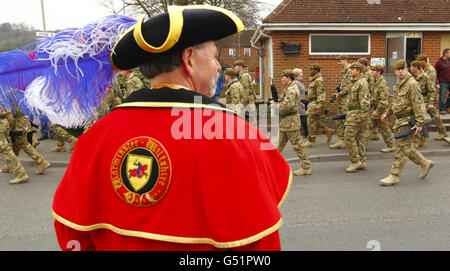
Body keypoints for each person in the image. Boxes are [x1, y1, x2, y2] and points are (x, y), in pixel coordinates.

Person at [52, 5, 291, 251]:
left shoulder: (95, 137)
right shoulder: (235, 135)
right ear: (189, 59)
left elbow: (73, 233)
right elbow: (259, 243)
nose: (219, 67)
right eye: (214, 57)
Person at [380, 60, 434, 186]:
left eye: (402, 69)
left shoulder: (412, 84)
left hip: (409, 122)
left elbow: (419, 105)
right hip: (399, 121)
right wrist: (387, 113)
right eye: (398, 70)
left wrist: (420, 123)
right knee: (406, 148)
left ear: (407, 69)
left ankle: (394, 175)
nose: (400, 72)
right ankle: (425, 163)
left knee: (401, 149)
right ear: (394, 71)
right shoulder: (399, 83)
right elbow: (395, 102)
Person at [271, 69, 311, 176]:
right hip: (285, 122)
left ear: (288, 78)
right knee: (278, 145)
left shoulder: (292, 90)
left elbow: (286, 106)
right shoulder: (288, 88)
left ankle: (306, 167)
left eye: (282, 77)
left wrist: (275, 107)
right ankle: (270, 166)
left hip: (291, 123)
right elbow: (284, 103)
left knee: (298, 146)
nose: (281, 79)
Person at [409, 61, 447, 146]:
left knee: (430, 118)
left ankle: (440, 133)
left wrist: (431, 103)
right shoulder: (410, 77)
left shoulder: (425, 77)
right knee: (416, 120)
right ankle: (418, 140)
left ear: (416, 67)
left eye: (411, 66)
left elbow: (432, 91)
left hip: (425, 101)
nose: (409, 68)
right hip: (415, 102)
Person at [343, 62, 371, 172]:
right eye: (350, 69)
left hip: (357, 114)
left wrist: (362, 116)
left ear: (359, 71)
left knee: (348, 137)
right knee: (359, 139)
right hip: (353, 113)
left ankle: (355, 161)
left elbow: (365, 101)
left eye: (353, 69)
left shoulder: (361, 82)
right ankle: (362, 161)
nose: (350, 71)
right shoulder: (354, 82)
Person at [10, 109, 51, 175]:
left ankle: (42, 162)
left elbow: (8, 113)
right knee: (15, 144)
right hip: (21, 120)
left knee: (23, 144)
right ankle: (12, 164)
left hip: (18, 122)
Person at [304, 64, 334, 147]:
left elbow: (321, 94)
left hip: (315, 103)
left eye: (312, 69)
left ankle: (312, 141)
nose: (310, 71)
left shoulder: (319, 80)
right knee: (314, 121)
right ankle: (328, 130)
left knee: (310, 122)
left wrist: (320, 107)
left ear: (317, 70)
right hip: (312, 103)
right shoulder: (314, 80)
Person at [369, 64, 395, 153]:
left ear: (379, 72)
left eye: (373, 71)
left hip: (380, 110)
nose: (371, 72)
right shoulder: (374, 82)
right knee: (368, 127)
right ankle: (360, 145)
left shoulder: (382, 84)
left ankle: (390, 145)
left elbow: (384, 100)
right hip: (374, 109)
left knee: (385, 129)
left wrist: (377, 111)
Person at [0, 108, 29, 184]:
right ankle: (11, 167)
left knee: (5, 150)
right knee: (6, 148)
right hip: (4, 123)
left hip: (2, 124)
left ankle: (21, 174)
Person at [330, 54, 350, 149]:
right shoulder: (344, 71)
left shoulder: (350, 70)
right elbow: (342, 85)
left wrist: (340, 93)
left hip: (347, 100)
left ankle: (349, 141)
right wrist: (337, 92)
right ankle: (341, 140)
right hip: (342, 99)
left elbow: (349, 86)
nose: (338, 63)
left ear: (345, 60)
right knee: (340, 120)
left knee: (347, 120)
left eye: (340, 61)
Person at [234, 60, 257, 125]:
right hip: (247, 102)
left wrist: (241, 105)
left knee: (251, 122)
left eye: (236, 66)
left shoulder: (245, 76)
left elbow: (245, 93)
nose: (235, 68)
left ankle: (254, 135)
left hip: (248, 102)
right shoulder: (241, 76)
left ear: (241, 67)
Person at [293, 68, 308, 137]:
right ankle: (306, 132)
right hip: (299, 102)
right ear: (297, 75)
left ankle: (304, 132)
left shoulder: (300, 82)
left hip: (302, 102)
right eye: (301, 73)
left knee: (302, 118)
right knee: (303, 117)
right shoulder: (296, 82)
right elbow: (296, 93)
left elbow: (303, 91)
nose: (302, 74)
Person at [435, 48, 450, 114]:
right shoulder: (439, 62)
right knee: (442, 96)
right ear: (445, 54)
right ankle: (442, 109)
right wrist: (437, 81)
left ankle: (448, 107)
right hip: (443, 81)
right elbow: (436, 72)